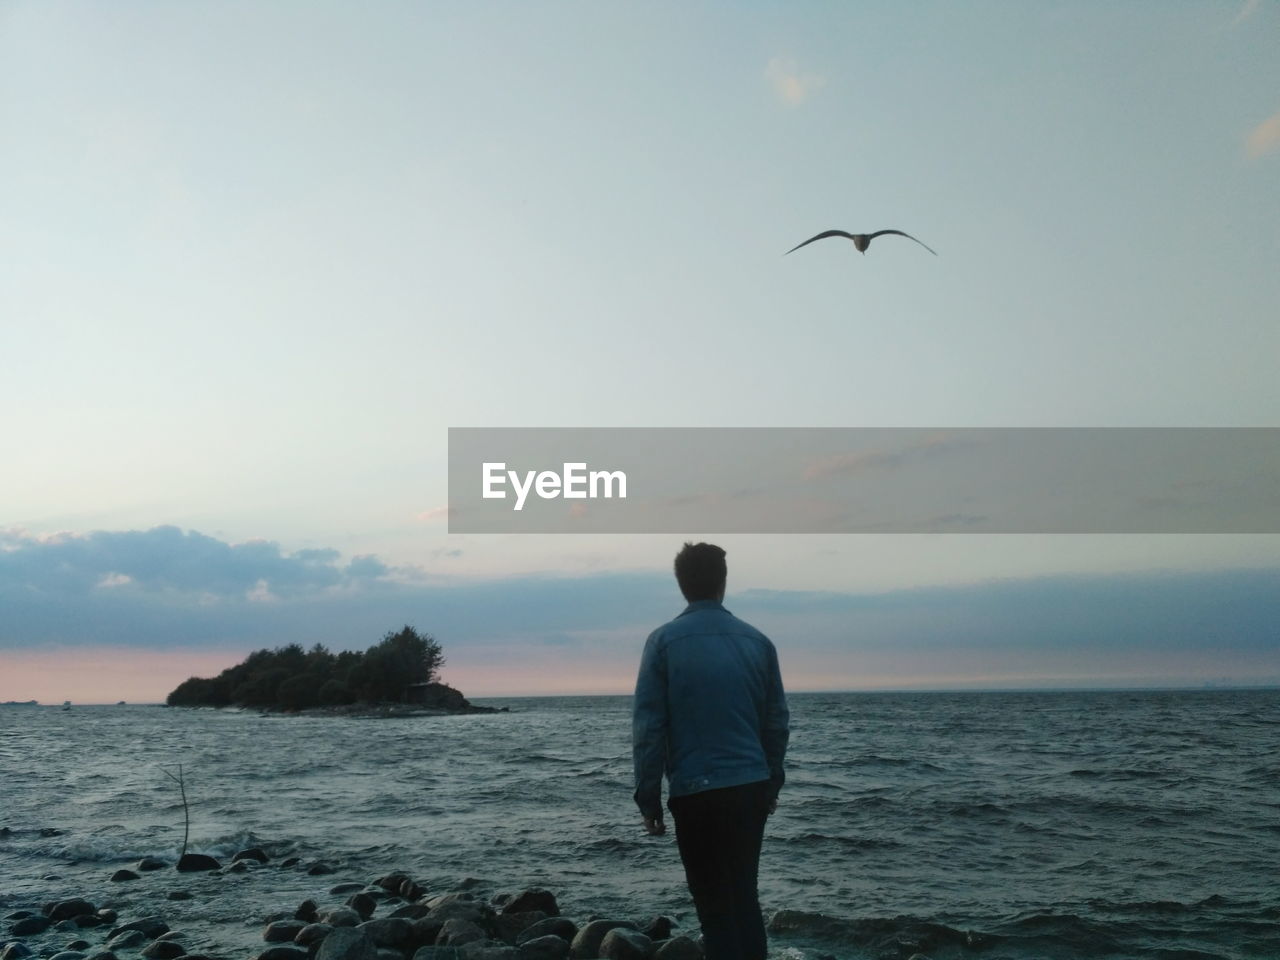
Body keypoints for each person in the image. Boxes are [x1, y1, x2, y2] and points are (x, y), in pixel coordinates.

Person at [632, 541, 790, 960]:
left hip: (695, 790)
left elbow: (649, 728)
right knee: (744, 897)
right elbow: (776, 723)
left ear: (681, 584)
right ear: (723, 582)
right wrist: (772, 781)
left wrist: (648, 798)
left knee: (714, 908)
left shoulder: (662, 642)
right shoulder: (758, 642)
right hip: (750, 786)